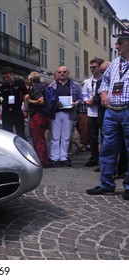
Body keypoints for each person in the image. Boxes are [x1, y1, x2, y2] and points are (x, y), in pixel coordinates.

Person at [86, 30, 129, 200]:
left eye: (120, 42)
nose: (116, 45)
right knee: (107, 149)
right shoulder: (115, 63)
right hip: (111, 112)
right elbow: (104, 81)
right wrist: (104, 93)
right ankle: (106, 185)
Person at [49, 66, 82, 167]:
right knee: (55, 136)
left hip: (69, 113)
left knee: (66, 136)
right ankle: (54, 157)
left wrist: (75, 103)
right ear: (57, 74)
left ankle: (63, 156)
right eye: (59, 72)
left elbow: (81, 98)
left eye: (64, 72)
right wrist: (54, 102)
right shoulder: (52, 85)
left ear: (68, 73)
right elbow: (49, 99)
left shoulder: (75, 85)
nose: (62, 74)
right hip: (56, 113)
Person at [24, 71, 50, 168]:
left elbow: (40, 100)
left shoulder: (36, 88)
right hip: (42, 115)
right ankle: (43, 159)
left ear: (31, 79)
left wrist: (29, 100)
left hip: (37, 116)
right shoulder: (41, 86)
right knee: (40, 138)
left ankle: (43, 161)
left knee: (38, 139)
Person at [82, 58, 104, 167]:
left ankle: (103, 160)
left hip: (103, 111)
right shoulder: (88, 81)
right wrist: (87, 100)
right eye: (90, 67)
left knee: (104, 136)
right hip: (91, 112)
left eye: (94, 67)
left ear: (100, 67)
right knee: (93, 136)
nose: (92, 69)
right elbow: (84, 94)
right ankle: (93, 158)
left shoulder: (105, 79)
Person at [0, 67, 28, 139]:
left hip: (17, 111)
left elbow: (26, 95)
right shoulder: (2, 86)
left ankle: (23, 149)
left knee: (20, 133)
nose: (6, 79)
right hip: (6, 112)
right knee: (7, 134)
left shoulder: (20, 83)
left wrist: (25, 110)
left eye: (8, 77)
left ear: (12, 75)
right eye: (4, 77)